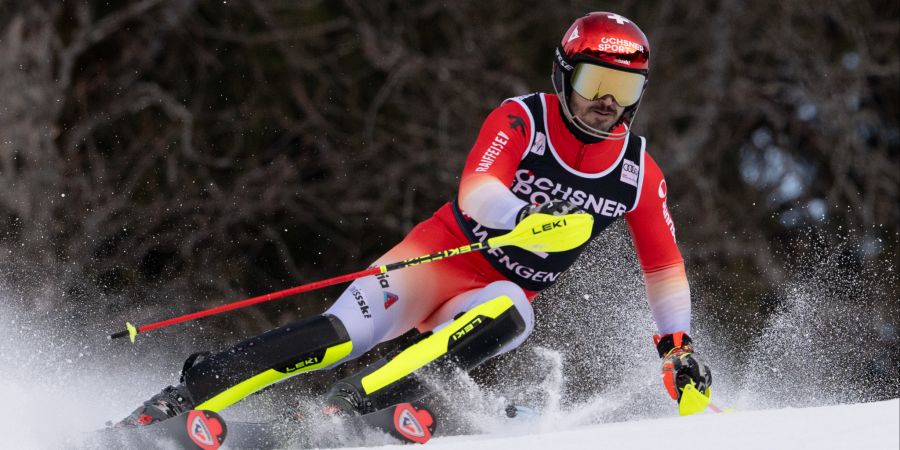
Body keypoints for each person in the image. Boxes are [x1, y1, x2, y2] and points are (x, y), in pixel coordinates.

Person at [117, 11, 712, 427]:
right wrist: (524, 216)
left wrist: (677, 352)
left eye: (625, 87)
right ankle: (191, 392)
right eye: (595, 82)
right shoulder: (521, 120)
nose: (609, 100)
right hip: (439, 256)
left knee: (512, 313)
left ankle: (343, 410)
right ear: (564, 76)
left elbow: (663, 265)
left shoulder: (639, 172)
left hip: (497, 291)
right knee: (339, 337)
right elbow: (477, 189)